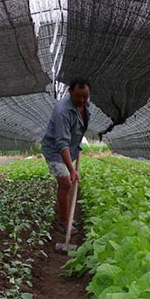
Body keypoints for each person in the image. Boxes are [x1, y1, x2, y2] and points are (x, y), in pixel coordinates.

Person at [41, 78, 91, 235]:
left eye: (85, 96)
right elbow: (61, 143)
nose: (82, 100)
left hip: (70, 148)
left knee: (66, 184)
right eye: (79, 97)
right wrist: (72, 169)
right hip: (55, 150)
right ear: (70, 92)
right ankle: (64, 222)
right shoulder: (62, 111)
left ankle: (68, 218)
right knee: (66, 183)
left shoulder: (84, 105)